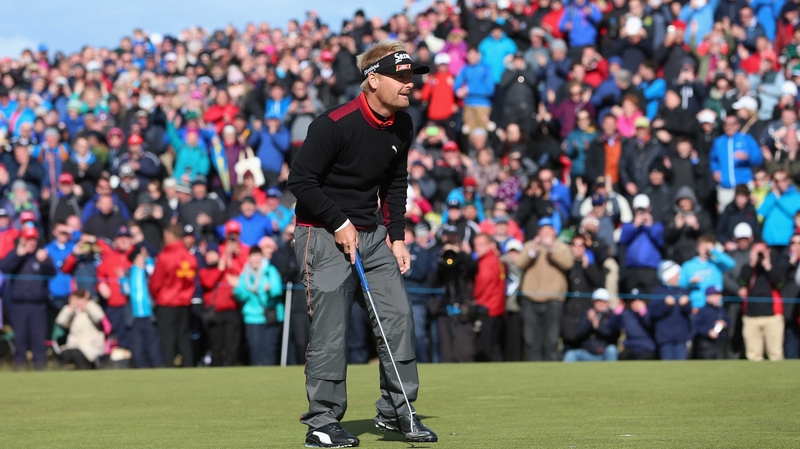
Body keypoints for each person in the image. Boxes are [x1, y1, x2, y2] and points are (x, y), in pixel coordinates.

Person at [286, 41, 436, 446]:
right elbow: (299, 181)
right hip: (321, 233)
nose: (409, 86)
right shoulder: (334, 124)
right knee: (331, 330)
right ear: (373, 80)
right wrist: (338, 221)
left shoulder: (404, 123)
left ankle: (396, 411)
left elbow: (395, 182)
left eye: (411, 78)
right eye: (401, 78)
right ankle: (323, 421)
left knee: (399, 319)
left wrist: (399, 235)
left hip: (373, 234)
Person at [515, 217, 574, 361]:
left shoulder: (562, 247)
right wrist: (533, 251)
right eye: (543, 230)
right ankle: (533, 371)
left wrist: (551, 250)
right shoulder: (530, 246)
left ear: (554, 232)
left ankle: (552, 372)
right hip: (531, 298)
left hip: (554, 298)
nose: (546, 233)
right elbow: (519, 264)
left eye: (549, 230)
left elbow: (568, 264)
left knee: (552, 340)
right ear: (538, 232)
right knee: (531, 340)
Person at [0, 226, 56, 370]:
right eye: (28, 239)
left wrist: (44, 262)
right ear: (23, 240)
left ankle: (40, 367)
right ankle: (19, 367)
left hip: (38, 305)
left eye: (33, 240)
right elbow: (5, 268)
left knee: (38, 339)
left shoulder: (41, 256)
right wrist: (18, 255)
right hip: (19, 305)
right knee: (20, 338)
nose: (31, 243)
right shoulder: (16, 254)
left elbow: (52, 273)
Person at [149, 225, 198, 367]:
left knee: (167, 339)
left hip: (167, 303)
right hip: (184, 303)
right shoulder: (190, 257)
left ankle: (169, 367)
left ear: (170, 236)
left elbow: (155, 283)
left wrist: (158, 297)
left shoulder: (165, 257)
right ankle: (189, 366)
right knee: (184, 337)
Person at [233, 245, 284, 366]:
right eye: (253, 256)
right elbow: (241, 296)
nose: (255, 259)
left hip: (269, 315)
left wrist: (269, 289)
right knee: (255, 347)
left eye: (258, 256)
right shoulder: (245, 274)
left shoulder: (270, 270)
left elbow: (277, 290)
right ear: (249, 258)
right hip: (252, 316)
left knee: (269, 348)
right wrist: (237, 288)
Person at [738, 241, 788, 361]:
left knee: (775, 355)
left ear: (768, 251)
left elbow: (781, 284)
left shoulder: (775, 266)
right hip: (751, 317)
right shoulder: (747, 267)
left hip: (773, 317)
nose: (759, 254)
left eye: (762, 251)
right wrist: (752, 263)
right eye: (756, 251)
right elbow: (741, 283)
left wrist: (768, 266)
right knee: (753, 356)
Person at [120, 244, 163, 368]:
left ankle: (157, 366)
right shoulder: (129, 272)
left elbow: (154, 274)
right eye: (139, 257)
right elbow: (126, 291)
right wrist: (122, 280)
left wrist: (148, 257)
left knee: (153, 345)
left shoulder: (148, 271)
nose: (142, 259)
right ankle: (141, 368)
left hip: (150, 314)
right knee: (137, 346)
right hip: (134, 316)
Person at [679, 234, 736, 311]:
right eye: (703, 247)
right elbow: (681, 284)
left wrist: (714, 251)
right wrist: (690, 282)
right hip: (697, 306)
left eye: (708, 247)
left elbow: (731, 264)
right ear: (697, 248)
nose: (705, 250)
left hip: (715, 305)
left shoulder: (716, 263)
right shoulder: (688, 265)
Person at [472, 233, 506, 362]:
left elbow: (482, 284)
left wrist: (473, 298)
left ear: (489, 245)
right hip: (497, 306)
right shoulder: (497, 260)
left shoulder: (486, 262)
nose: (477, 248)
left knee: (488, 346)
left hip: (488, 306)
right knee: (493, 344)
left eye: (481, 245)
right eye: (476, 245)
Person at [650, 261, 692, 360]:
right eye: (676, 274)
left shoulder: (682, 291)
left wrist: (685, 305)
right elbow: (653, 314)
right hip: (665, 337)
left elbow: (689, 311)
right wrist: (666, 306)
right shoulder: (658, 291)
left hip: (681, 336)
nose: (678, 277)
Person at [562, 288, 620, 362]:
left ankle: (612, 373)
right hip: (587, 353)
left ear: (607, 302)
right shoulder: (587, 314)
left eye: (604, 301)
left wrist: (597, 325)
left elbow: (612, 335)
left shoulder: (612, 315)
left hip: (604, 353)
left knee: (612, 350)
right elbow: (578, 334)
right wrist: (588, 322)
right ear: (593, 302)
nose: (601, 303)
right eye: (598, 301)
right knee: (571, 354)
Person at [55, 289, 106, 369]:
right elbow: (61, 321)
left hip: (90, 345)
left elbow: (99, 317)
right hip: (74, 345)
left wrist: (87, 305)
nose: (79, 302)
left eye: (81, 298)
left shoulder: (92, 306)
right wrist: (71, 308)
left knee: (77, 354)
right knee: (65, 354)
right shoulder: (72, 311)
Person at [694, 286, 731, 360]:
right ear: (708, 297)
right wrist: (708, 332)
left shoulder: (721, 310)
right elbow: (697, 326)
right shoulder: (702, 311)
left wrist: (724, 324)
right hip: (706, 344)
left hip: (720, 343)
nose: (719, 297)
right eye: (715, 295)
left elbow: (729, 322)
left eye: (719, 295)